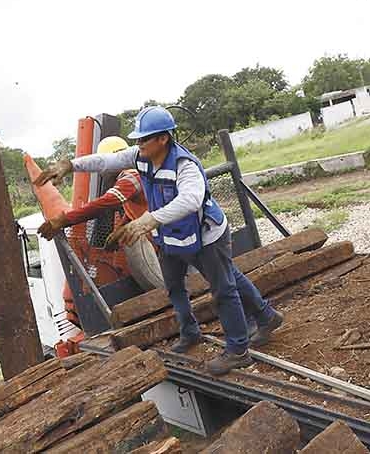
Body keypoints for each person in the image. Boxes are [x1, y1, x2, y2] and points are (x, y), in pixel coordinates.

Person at [36, 106, 283, 375]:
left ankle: (238, 351)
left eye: (144, 139)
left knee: (224, 288)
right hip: (171, 237)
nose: (138, 144)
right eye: (137, 140)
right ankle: (211, 328)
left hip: (206, 235)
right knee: (176, 287)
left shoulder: (184, 165)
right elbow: (107, 161)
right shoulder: (141, 158)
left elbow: (190, 200)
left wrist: (148, 220)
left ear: (162, 139)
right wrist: (71, 165)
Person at [37, 135, 165, 291]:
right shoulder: (139, 174)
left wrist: (65, 220)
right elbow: (140, 207)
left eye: (103, 169)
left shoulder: (131, 176)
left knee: (134, 241)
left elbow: (106, 203)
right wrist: (121, 228)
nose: (102, 173)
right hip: (164, 234)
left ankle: (165, 293)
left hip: (166, 235)